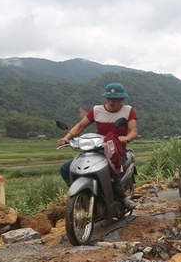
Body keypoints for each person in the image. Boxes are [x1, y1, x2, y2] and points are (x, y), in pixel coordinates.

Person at [57, 82, 138, 210]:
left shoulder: (128, 111)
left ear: (122, 99)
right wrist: (66, 138)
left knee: (111, 170)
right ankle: (82, 194)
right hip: (97, 148)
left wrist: (126, 138)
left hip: (116, 151)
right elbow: (80, 126)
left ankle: (123, 198)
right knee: (65, 169)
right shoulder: (96, 110)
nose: (112, 102)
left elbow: (133, 131)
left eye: (116, 99)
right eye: (109, 98)